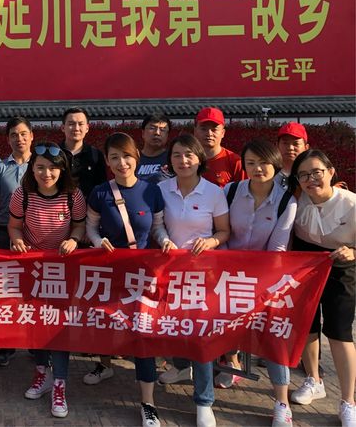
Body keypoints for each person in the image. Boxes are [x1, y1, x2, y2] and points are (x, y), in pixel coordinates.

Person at [84, 133, 165, 427]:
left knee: (141, 334)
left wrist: (165, 241)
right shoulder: (99, 192)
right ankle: (104, 365)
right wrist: (98, 242)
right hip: (108, 271)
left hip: (141, 274)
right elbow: (90, 228)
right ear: (107, 161)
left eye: (127, 156)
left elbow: (157, 228)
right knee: (107, 323)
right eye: (115, 157)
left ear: (136, 157)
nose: (122, 163)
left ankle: (148, 403)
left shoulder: (152, 191)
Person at [154, 134, 230, 427]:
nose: (183, 160)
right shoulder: (161, 189)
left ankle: (204, 401)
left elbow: (224, 231)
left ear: (199, 159)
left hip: (203, 275)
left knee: (200, 335)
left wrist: (210, 242)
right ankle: (181, 366)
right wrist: (164, 239)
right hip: (170, 271)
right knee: (172, 326)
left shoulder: (214, 192)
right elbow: (157, 225)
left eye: (188, 155)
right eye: (176, 155)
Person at [220, 139, 297, 426]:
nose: (257, 169)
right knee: (225, 322)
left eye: (263, 163)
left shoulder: (287, 200)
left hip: (267, 277)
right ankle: (231, 363)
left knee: (273, 335)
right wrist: (229, 268)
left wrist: (258, 279)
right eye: (250, 163)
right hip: (228, 273)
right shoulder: (229, 192)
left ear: (275, 164)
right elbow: (221, 232)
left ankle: (282, 402)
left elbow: (278, 248)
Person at [9, 142, 87, 419]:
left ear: (62, 170)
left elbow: (79, 225)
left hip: (63, 270)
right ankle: (42, 373)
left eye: (53, 168)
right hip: (33, 269)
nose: (46, 173)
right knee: (37, 323)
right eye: (40, 168)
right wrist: (17, 240)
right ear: (32, 169)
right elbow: (14, 226)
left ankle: (60, 384)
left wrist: (74, 239)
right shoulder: (22, 195)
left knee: (59, 327)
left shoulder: (73, 195)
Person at [287, 150, 356, 427]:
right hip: (306, 263)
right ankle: (313, 380)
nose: (310, 179)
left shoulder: (351, 203)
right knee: (308, 325)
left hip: (342, 265)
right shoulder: (296, 200)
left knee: (339, 332)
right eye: (303, 175)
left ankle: (348, 401)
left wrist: (353, 252)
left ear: (330, 172)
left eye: (316, 172)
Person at [0, 116, 34, 367]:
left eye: (24, 134)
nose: (19, 139)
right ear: (8, 139)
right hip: (6, 232)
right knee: (8, 289)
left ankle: (37, 343)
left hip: (36, 232)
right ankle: (7, 344)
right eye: (14, 135)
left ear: (32, 136)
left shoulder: (41, 165)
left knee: (36, 287)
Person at [59, 107, 107, 200]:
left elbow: (101, 187)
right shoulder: (54, 154)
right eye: (71, 124)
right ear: (63, 127)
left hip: (88, 207)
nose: (76, 128)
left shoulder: (95, 155)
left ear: (87, 128)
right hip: (58, 207)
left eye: (80, 124)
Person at [193, 107, 244, 188]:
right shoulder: (186, 160)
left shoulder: (236, 162)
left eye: (214, 129)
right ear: (195, 131)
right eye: (203, 129)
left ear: (223, 133)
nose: (209, 133)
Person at [135, 112, 171, 184]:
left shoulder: (172, 159)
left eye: (162, 130)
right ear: (143, 133)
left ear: (167, 135)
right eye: (152, 128)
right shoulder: (134, 158)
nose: (157, 133)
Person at [275, 122, 309, 190]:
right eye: (285, 143)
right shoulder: (268, 173)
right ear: (277, 146)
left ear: (306, 147)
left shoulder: (311, 175)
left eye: (296, 144)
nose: (290, 148)